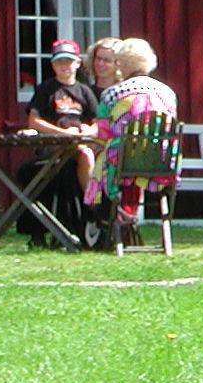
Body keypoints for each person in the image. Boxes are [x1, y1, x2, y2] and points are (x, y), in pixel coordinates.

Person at [86, 37, 179, 246]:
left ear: (121, 64)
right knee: (130, 163)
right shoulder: (168, 94)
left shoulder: (112, 94)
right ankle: (127, 219)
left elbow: (103, 134)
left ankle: (110, 220)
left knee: (102, 162)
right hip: (161, 162)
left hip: (122, 163)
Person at [25, 38, 98, 192]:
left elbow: (98, 121)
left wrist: (89, 131)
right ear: (53, 64)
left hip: (79, 140)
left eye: (69, 61)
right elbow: (34, 121)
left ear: (78, 63)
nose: (64, 66)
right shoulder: (45, 89)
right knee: (86, 154)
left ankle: (109, 204)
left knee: (104, 154)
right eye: (60, 62)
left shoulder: (85, 91)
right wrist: (63, 133)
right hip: (51, 143)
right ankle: (93, 202)